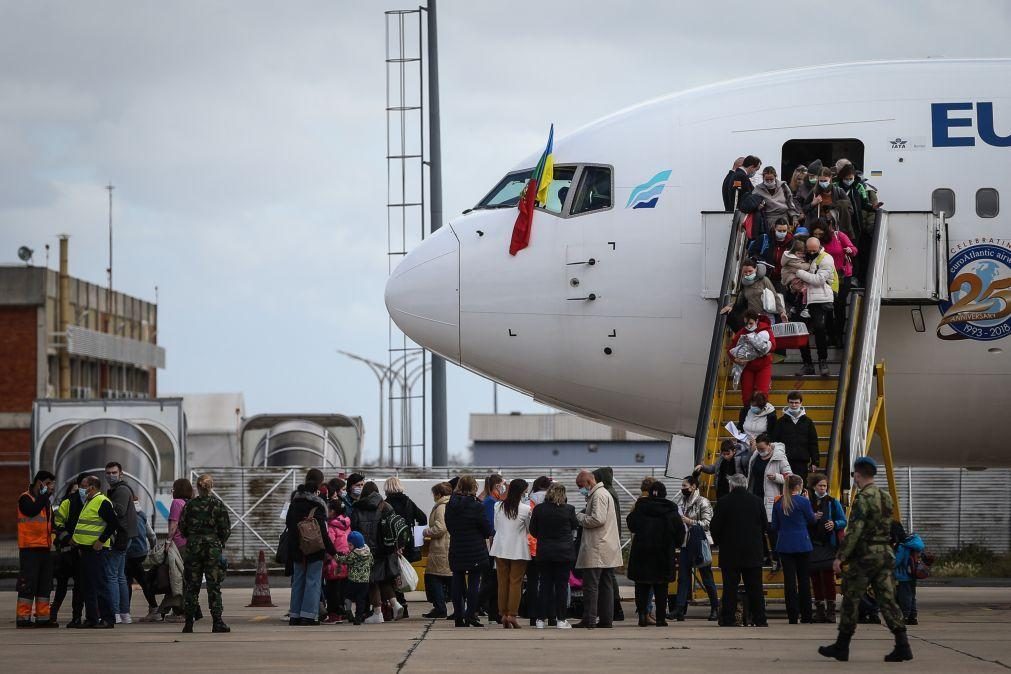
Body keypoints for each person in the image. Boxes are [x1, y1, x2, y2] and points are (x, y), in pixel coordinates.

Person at [819, 456, 912, 663]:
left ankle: (842, 646)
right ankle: (903, 645)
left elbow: (855, 530)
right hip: (885, 553)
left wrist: (841, 556)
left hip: (865, 556)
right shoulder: (885, 496)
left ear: (858, 475)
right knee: (887, 600)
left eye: (854, 475)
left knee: (851, 600)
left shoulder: (863, 498)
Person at [711, 473, 767, 627]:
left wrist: (719, 542)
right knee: (755, 588)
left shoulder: (723, 502)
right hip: (753, 552)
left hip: (730, 553)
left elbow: (715, 527)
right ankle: (759, 619)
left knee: (729, 588)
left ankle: (728, 619)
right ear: (745, 484)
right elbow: (764, 525)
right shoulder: (757, 501)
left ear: (731, 486)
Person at [178, 473, 231, 634]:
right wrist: (218, 541)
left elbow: (183, 527)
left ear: (198, 487)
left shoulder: (190, 505)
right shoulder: (218, 505)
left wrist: (193, 538)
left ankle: (189, 622)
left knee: (192, 586)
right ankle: (217, 622)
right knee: (213, 586)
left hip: (193, 548)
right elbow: (225, 529)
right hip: (212, 549)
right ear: (211, 487)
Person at [626, 481, 683, 627]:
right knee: (661, 587)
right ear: (664, 494)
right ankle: (660, 618)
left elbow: (631, 525)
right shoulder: (671, 509)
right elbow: (679, 532)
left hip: (642, 552)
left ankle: (642, 616)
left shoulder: (640, 507)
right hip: (663, 553)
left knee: (641, 586)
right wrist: (675, 544)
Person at [573, 469, 621, 628]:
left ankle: (589, 619)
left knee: (591, 585)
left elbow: (597, 519)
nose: (581, 489)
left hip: (597, 547)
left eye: (581, 485)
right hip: (606, 546)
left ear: (589, 482)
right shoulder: (603, 493)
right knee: (606, 585)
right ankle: (606, 620)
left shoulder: (598, 495)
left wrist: (579, 517)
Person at [285, 477, 336, 626]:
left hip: (296, 548)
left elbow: (288, 524)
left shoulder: (293, 505)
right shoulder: (317, 506)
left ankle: (294, 615)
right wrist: (333, 551)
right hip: (314, 548)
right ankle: (308, 616)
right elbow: (323, 533)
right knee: (313, 581)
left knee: (298, 581)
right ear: (315, 491)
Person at [350, 481, 403, 624]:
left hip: (367, 550)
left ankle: (377, 613)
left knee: (372, 581)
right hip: (386, 548)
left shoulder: (358, 508)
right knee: (384, 579)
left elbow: (353, 529)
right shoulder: (385, 506)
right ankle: (395, 604)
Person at [528, 482, 578, 629]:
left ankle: (540, 620)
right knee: (561, 586)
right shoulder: (569, 509)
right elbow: (574, 526)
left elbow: (533, 530)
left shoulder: (539, 509)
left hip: (544, 553)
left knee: (544, 586)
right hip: (564, 553)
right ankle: (561, 619)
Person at [72, 475, 120, 629]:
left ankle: (107, 619)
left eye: (84, 486)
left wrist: (101, 541)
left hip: (96, 550)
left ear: (91, 487)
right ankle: (92, 618)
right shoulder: (90, 501)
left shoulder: (102, 502)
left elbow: (113, 523)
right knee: (88, 586)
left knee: (100, 585)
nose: (81, 488)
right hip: (86, 550)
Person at [445, 475, 493, 628]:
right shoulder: (477, 506)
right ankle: (470, 614)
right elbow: (487, 530)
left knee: (457, 581)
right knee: (474, 583)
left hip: (457, 546)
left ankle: (458, 616)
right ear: (474, 488)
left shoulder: (450, 505)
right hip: (475, 549)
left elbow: (449, 526)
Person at [672, 475, 719, 621]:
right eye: (682, 486)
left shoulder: (703, 502)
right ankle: (679, 609)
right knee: (683, 578)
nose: (682, 489)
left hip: (701, 543)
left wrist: (689, 521)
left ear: (693, 487)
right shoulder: (682, 501)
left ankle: (715, 608)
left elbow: (707, 523)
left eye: (685, 486)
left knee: (706, 577)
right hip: (686, 543)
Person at [771, 474, 816, 623]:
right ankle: (807, 615)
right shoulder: (803, 502)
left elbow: (774, 526)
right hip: (803, 543)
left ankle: (792, 616)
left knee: (789, 582)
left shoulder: (778, 503)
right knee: (804, 580)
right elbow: (811, 520)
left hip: (784, 544)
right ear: (798, 486)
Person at [16, 470, 56, 628]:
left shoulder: (45, 500)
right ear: (40, 483)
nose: (51, 488)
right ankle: (23, 618)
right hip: (29, 548)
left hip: (45, 548)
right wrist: (44, 496)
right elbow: (31, 511)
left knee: (44, 584)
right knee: (29, 583)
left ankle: (43, 617)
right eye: (48, 484)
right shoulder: (25, 498)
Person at [490, 478, 532, 628]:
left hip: (500, 548)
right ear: (522, 491)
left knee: (502, 582)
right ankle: (512, 614)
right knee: (515, 583)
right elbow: (529, 529)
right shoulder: (526, 509)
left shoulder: (498, 506)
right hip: (518, 549)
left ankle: (502, 613)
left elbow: (495, 526)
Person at [384, 476, 428, 618]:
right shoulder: (408, 502)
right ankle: (404, 606)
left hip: (391, 545)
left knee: (392, 575)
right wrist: (416, 536)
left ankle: (398, 604)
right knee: (402, 573)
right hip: (407, 543)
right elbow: (423, 518)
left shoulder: (385, 504)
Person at [808, 474, 847, 623]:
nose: (823, 488)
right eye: (820, 485)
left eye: (825, 486)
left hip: (828, 545)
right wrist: (813, 518)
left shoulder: (833, 502)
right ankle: (819, 611)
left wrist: (834, 524)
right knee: (816, 579)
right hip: (812, 544)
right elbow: (805, 521)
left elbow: (843, 520)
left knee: (828, 578)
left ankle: (831, 612)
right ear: (814, 487)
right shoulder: (809, 502)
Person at [796, 235, 837, 376]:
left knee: (819, 329)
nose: (812, 253)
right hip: (804, 298)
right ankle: (807, 363)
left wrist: (800, 273)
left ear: (819, 247)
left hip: (819, 299)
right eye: (809, 250)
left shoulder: (826, 258)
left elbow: (819, 280)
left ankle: (822, 361)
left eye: (814, 250)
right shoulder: (802, 257)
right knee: (800, 331)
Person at [748, 435, 793, 559]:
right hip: (756, 496)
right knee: (757, 529)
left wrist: (777, 477)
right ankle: (764, 555)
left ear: (769, 445)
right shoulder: (756, 455)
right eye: (758, 448)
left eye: (762, 448)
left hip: (772, 498)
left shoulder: (779, 458)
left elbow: (791, 478)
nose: (760, 451)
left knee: (771, 530)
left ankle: (777, 558)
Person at [104, 461, 138, 624]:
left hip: (120, 537)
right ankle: (124, 613)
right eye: (108, 473)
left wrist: (103, 502)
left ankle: (116, 612)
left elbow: (119, 511)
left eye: (114, 473)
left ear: (121, 473)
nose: (111, 476)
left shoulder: (121, 490)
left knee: (113, 575)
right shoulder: (118, 489)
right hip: (125, 537)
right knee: (120, 576)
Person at [52, 475, 87, 627]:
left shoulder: (92, 502)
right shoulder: (67, 504)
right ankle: (53, 613)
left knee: (80, 587)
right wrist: (69, 539)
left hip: (82, 552)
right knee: (62, 586)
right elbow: (58, 524)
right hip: (68, 552)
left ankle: (77, 617)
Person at [592, 466, 625, 622]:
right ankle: (613, 609)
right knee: (608, 575)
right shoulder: (611, 492)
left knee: (607, 576)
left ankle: (614, 608)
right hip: (613, 536)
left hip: (607, 538)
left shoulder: (605, 493)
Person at [819, 217, 859, 346]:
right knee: (828, 307)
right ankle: (831, 336)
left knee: (839, 305)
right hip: (826, 276)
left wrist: (849, 250)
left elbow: (854, 249)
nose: (830, 229)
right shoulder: (819, 239)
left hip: (842, 275)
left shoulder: (839, 236)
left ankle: (839, 335)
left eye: (830, 226)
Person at [727, 311, 778, 407]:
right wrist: (736, 359)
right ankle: (747, 414)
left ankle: (762, 416)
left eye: (751, 323)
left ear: (757, 321)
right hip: (747, 367)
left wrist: (765, 350)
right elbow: (730, 349)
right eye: (746, 324)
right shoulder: (742, 332)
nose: (748, 326)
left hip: (763, 366)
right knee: (747, 396)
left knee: (762, 394)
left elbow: (773, 346)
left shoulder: (766, 330)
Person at [161, 477, 193, 621]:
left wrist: (168, 541)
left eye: (174, 488)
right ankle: (187, 610)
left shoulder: (176, 503)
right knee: (188, 578)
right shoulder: (192, 503)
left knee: (176, 576)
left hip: (179, 544)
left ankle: (179, 612)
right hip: (191, 544)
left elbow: (174, 525)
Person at [522, 475, 553, 625]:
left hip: (531, 547)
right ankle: (551, 614)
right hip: (549, 546)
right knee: (550, 581)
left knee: (533, 582)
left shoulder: (528, 501)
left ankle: (533, 615)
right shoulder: (553, 501)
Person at [721, 260, 788, 328]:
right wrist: (730, 306)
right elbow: (740, 301)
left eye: (750, 271)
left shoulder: (764, 280)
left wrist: (782, 312)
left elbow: (775, 296)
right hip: (752, 318)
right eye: (745, 272)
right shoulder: (744, 284)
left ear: (755, 269)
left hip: (766, 316)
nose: (747, 274)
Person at [773, 391, 821, 481]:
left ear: (801, 403)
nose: (794, 405)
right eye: (791, 402)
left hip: (802, 461)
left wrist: (815, 461)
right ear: (788, 403)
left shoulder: (808, 422)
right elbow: (775, 441)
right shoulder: (780, 422)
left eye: (796, 402)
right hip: (785, 460)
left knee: (801, 485)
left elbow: (813, 442)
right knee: (785, 485)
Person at [422, 482, 453, 619]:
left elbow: (441, 528)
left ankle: (440, 608)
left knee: (433, 577)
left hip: (441, 547)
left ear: (439, 494)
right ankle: (459, 607)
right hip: (448, 546)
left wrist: (426, 531)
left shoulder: (441, 507)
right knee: (449, 578)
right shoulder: (451, 504)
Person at [126, 495, 158, 623]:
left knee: (127, 581)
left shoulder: (124, 514)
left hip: (129, 552)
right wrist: (152, 548)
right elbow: (151, 535)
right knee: (142, 580)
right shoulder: (142, 514)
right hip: (141, 552)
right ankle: (154, 608)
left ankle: (125, 611)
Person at [478, 473, 505, 622]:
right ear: (497, 485)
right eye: (503, 484)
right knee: (490, 580)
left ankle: (494, 612)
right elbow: (491, 525)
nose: (504, 487)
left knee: (494, 580)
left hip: (494, 544)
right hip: (491, 545)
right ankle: (477, 605)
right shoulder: (490, 502)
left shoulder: (493, 500)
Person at [322, 499, 351, 624]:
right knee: (342, 588)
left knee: (332, 589)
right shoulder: (347, 524)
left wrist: (326, 558)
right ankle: (342, 611)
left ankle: (334, 614)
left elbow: (330, 544)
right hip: (345, 560)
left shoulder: (332, 526)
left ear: (332, 511)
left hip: (334, 562)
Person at [335, 531, 373, 624]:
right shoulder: (368, 553)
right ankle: (358, 617)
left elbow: (344, 560)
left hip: (353, 581)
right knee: (361, 599)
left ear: (354, 544)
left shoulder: (353, 554)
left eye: (350, 545)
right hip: (365, 581)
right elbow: (372, 563)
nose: (349, 547)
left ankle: (348, 612)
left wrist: (336, 557)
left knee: (347, 596)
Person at [892, 521, 924, 626]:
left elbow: (896, 562)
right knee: (911, 596)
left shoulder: (902, 546)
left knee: (903, 597)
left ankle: (904, 616)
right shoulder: (911, 543)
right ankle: (912, 617)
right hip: (912, 575)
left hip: (903, 577)